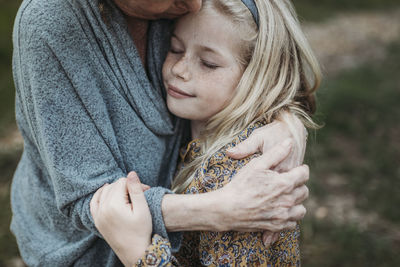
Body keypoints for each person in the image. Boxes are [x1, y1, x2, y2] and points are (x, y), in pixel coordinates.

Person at [11, 0, 309, 266]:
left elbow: (266, 45)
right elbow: (92, 199)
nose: (195, 4)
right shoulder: (50, 22)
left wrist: (288, 122)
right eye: (175, 49)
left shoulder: (242, 175)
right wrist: (220, 209)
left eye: (207, 63)